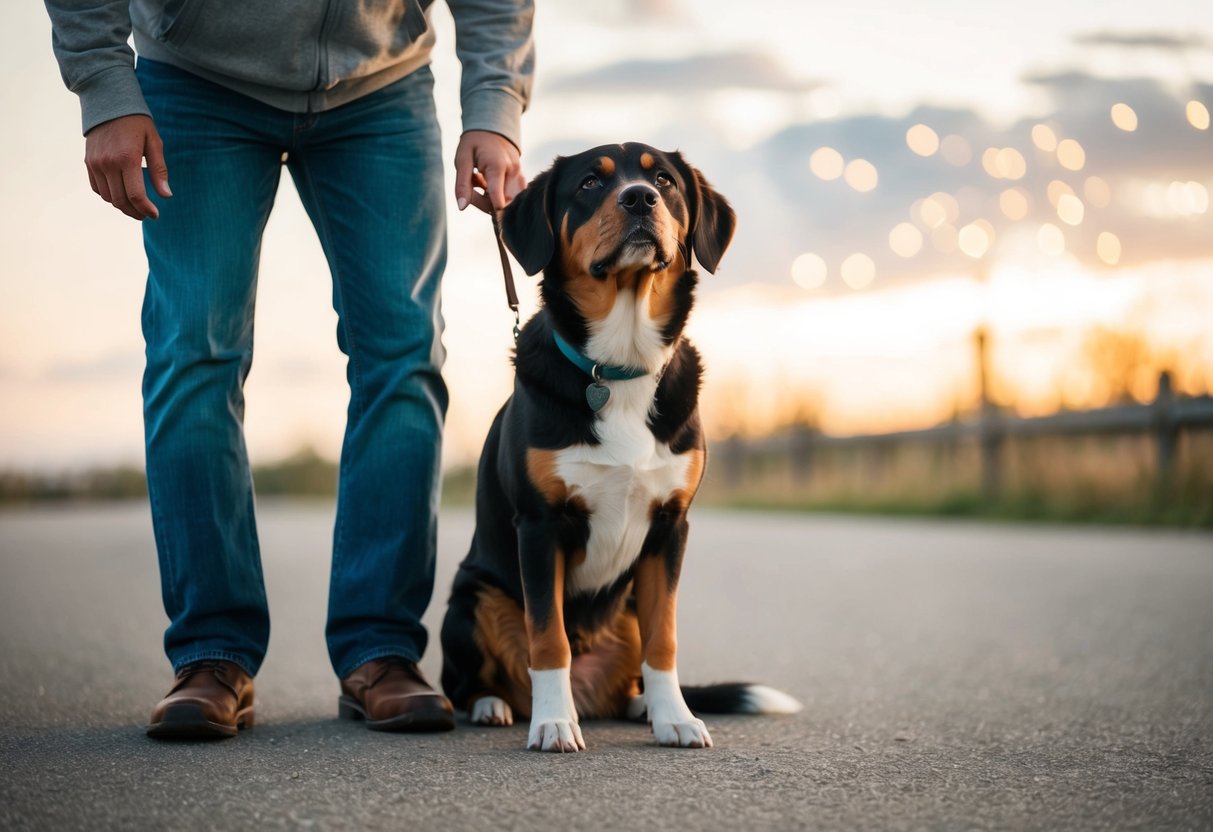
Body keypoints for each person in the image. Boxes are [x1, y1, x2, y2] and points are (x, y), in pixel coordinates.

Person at [43, 0, 534, 739]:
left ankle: (381, 650)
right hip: (195, 78)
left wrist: (493, 105)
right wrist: (106, 89)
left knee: (403, 356)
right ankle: (212, 656)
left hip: (381, 84)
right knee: (193, 353)